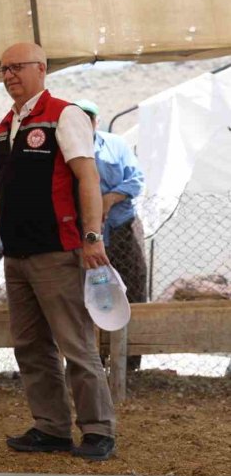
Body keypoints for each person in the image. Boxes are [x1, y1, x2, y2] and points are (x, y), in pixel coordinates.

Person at [0, 43, 117, 461]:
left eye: (16, 67)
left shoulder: (64, 114)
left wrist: (91, 237)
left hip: (58, 250)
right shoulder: (2, 127)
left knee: (76, 344)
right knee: (30, 345)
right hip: (16, 255)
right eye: (3, 69)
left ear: (41, 69)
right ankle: (51, 427)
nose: (8, 76)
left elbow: (87, 177)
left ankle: (97, 429)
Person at [75, 99, 147, 370]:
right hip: (84, 234)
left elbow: (136, 179)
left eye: (89, 118)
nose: (85, 124)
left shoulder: (115, 146)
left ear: (96, 121)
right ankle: (94, 358)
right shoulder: (66, 151)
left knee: (132, 287)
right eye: (78, 119)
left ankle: (131, 360)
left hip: (121, 227)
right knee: (91, 290)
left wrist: (111, 198)